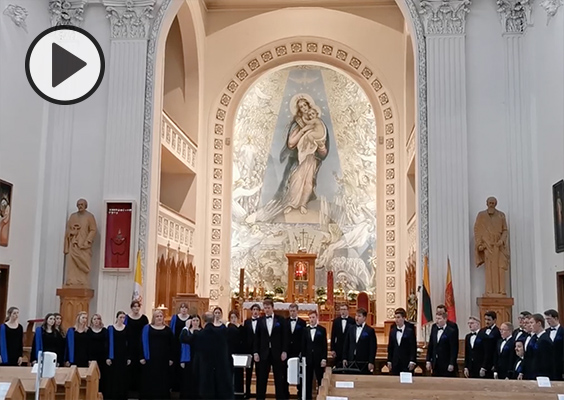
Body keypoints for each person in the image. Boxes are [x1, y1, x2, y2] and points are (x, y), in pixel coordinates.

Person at [278, 95, 329, 215]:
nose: (304, 108)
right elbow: (291, 143)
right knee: (296, 180)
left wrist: (321, 147)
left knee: (308, 182)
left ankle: (303, 204)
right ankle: (291, 203)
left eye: (305, 105)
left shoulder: (319, 125)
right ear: (299, 110)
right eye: (301, 107)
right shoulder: (297, 123)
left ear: (309, 106)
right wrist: (302, 131)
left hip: (312, 159)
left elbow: (323, 150)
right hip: (299, 159)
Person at [182, 312, 233, 400]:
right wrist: (226, 323)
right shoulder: (222, 332)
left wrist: (186, 327)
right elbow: (234, 331)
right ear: (213, 320)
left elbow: (183, 338)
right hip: (220, 369)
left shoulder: (199, 334)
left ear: (203, 321)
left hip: (205, 369)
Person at [474, 196, 509, 296]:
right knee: (489, 269)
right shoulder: (481, 215)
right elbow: (477, 229)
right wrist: (480, 244)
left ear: (496, 204)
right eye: (490, 203)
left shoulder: (501, 215)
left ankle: (501, 291)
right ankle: (489, 291)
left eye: (493, 203)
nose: (491, 205)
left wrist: (501, 241)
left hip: (498, 246)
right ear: (487, 203)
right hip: (488, 245)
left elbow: (505, 230)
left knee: (501, 267)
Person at [253, 298, 287, 400]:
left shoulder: (280, 320)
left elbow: (285, 336)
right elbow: (256, 338)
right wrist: (255, 352)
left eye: (268, 308)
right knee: (262, 379)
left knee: (279, 379)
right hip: (264, 353)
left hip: (277, 353)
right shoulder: (260, 321)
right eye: (265, 308)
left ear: (273, 308)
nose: (267, 310)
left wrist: (284, 351)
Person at [139, 310, 174, 399]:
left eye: (160, 316)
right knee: (150, 379)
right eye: (157, 316)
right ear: (154, 318)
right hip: (150, 358)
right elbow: (141, 343)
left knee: (163, 380)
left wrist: (171, 358)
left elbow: (172, 345)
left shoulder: (168, 330)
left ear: (163, 318)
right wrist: (141, 356)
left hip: (163, 359)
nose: (159, 318)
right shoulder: (147, 328)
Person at [63, 198, 97, 288]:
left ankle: (82, 281)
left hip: (83, 245)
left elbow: (93, 230)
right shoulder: (73, 216)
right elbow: (68, 229)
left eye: (82, 204)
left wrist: (87, 240)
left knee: (83, 263)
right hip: (73, 244)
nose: (80, 206)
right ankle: (71, 281)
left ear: (85, 206)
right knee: (72, 263)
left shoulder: (90, 216)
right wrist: (71, 233)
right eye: (78, 205)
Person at [301, 310, 326, 400]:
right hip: (308, 359)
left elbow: (324, 345)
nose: (311, 319)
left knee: (320, 379)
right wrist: (303, 358)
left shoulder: (322, 330)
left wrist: (324, 358)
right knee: (308, 379)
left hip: (318, 358)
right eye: (310, 318)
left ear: (317, 318)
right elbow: (303, 345)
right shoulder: (305, 330)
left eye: (313, 317)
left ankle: (321, 396)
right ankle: (308, 397)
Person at [342, 308, 376, 374]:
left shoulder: (370, 330)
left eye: (359, 316)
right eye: (356, 316)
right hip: (351, 360)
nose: (357, 318)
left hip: (363, 360)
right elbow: (346, 344)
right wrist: (344, 358)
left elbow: (372, 347)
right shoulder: (351, 328)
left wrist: (371, 361)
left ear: (364, 318)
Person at [125, 300, 149, 395]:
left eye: (138, 306)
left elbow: (146, 331)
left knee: (140, 366)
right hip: (130, 344)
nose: (136, 308)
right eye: (134, 306)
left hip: (141, 344)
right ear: (131, 307)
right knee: (130, 366)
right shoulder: (127, 318)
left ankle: (139, 389)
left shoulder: (144, 318)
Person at [106, 311, 131, 400]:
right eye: (120, 317)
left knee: (122, 376)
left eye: (123, 318)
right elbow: (107, 343)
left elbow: (129, 344)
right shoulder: (111, 328)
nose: (122, 319)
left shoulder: (127, 329)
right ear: (116, 318)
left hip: (123, 355)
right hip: (113, 355)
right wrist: (108, 357)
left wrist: (128, 357)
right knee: (113, 376)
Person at [426, 311, 457, 377]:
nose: (437, 321)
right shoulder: (434, 328)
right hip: (435, 363)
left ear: (445, 319)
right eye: (436, 318)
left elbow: (453, 349)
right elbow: (431, 345)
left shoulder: (451, 331)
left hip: (446, 363)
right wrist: (428, 360)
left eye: (439, 319)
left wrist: (451, 363)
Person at [386, 308, 416, 375]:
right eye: (395, 317)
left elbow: (413, 347)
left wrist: (412, 361)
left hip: (406, 361)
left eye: (398, 317)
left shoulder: (409, 331)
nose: (396, 319)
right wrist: (389, 360)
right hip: (395, 362)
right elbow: (390, 347)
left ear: (403, 318)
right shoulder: (392, 331)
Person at [286, 303, 306, 398]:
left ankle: (300, 393)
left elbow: (303, 337)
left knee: (299, 371)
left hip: (298, 350)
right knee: (285, 371)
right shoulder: (285, 322)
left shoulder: (302, 323)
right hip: (287, 350)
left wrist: (302, 350)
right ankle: (286, 392)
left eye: (294, 311)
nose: (292, 313)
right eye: (291, 311)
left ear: (297, 311)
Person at [170, 303, 191, 393]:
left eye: (185, 308)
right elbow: (171, 329)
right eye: (182, 308)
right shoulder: (175, 317)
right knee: (175, 365)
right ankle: (175, 387)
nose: (184, 309)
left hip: (186, 345)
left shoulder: (190, 319)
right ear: (179, 309)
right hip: (176, 344)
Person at [179, 315, 201, 400]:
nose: (195, 322)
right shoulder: (186, 331)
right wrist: (186, 327)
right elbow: (182, 339)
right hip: (188, 358)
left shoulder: (202, 331)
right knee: (187, 380)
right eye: (194, 320)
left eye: (197, 320)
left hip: (198, 358)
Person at [527, 313, 554, 380]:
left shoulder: (545, 339)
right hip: (530, 373)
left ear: (539, 323)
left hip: (540, 375)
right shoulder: (533, 338)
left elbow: (545, 361)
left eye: (532, 323)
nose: (530, 325)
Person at [227, 310, 246, 399]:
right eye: (232, 318)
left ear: (238, 318)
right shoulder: (228, 328)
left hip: (239, 353)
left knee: (239, 373)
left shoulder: (241, 328)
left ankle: (239, 392)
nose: (233, 319)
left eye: (235, 317)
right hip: (230, 352)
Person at [243, 303, 261, 399]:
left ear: (259, 311)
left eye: (257, 309)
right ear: (251, 311)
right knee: (248, 373)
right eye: (253, 309)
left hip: (259, 350)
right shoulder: (247, 322)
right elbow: (245, 335)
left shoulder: (262, 321)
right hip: (249, 349)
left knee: (259, 373)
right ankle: (248, 392)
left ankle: (259, 392)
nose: (255, 311)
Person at [88, 314, 108, 396]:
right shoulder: (88, 331)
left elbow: (107, 343)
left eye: (98, 319)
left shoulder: (104, 330)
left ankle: (100, 394)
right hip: (92, 356)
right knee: (92, 375)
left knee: (102, 375)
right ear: (92, 321)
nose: (96, 321)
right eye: (94, 319)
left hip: (102, 356)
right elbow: (87, 345)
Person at [478, 311, 501, 378]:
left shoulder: (497, 332)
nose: (486, 322)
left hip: (491, 363)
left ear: (494, 320)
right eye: (485, 319)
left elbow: (495, 349)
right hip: (481, 361)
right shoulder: (482, 331)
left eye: (489, 320)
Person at [330, 304, 355, 368]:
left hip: (349, 347)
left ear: (348, 310)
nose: (342, 311)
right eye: (341, 309)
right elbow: (333, 336)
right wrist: (332, 349)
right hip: (338, 347)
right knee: (338, 366)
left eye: (344, 309)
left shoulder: (352, 321)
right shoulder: (336, 321)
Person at [544, 309, 563, 380]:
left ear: (556, 318)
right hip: (548, 365)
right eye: (546, 319)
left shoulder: (562, 331)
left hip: (559, 364)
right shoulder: (546, 332)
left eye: (549, 319)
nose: (547, 321)